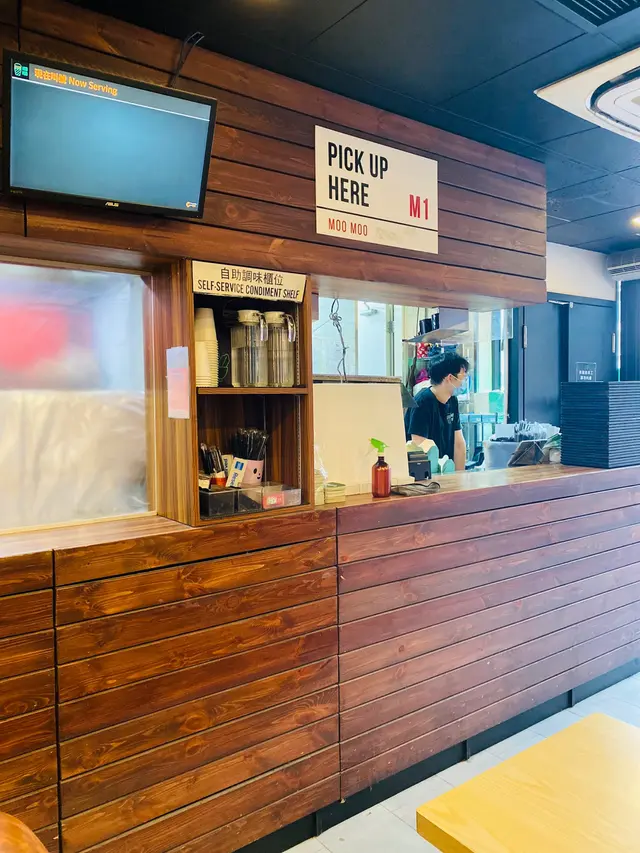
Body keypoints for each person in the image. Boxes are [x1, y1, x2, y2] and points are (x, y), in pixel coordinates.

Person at [405, 351, 469, 471]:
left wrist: (459, 476)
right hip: (425, 473)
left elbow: (459, 444)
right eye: (462, 378)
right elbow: (419, 445)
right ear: (450, 378)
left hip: (446, 470)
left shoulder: (452, 401)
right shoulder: (422, 402)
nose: (463, 383)